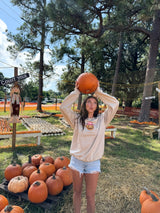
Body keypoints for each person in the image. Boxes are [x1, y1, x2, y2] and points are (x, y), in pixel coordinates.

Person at [60, 81, 119, 213]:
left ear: (97, 106)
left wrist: (98, 92)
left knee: (90, 196)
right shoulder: (76, 120)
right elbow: (63, 107)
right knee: (77, 193)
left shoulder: (103, 120)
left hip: (93, 163)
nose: (91, 104)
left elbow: (115, 104)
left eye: (94, 102)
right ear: (84, 105)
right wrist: (76, 92)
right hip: (77, 162)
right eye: (88, 102)